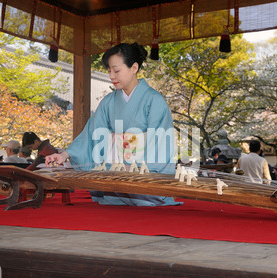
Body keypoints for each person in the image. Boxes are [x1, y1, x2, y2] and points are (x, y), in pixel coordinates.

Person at [45, 43, 179, 207]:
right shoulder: (109, 101)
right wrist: (65, 155)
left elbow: (160, 140)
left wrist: (136, 167)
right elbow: (92, 133)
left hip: (142, 179)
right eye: (109, 71)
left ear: (134, 67)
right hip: (113, 180)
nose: (111, 76)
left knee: (143, 193)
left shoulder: (154, 100)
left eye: (116, 71)